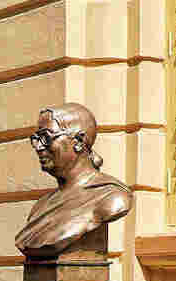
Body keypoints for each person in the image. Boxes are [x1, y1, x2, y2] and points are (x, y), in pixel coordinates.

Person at [15, 104, 132, 259]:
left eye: (46, 137)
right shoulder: (40, 206)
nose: (38, 146)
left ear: (78, 140)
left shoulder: (111, 197)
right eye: (36, 139)